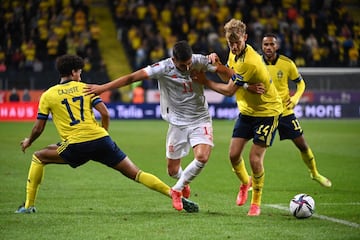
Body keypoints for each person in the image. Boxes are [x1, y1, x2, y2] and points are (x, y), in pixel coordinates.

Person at [15, 54, 198, 214]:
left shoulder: (48, 95)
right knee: (137, 173)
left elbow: (38, 128)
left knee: (39, 157)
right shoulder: (86, 88)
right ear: (72, 72)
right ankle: (174, 194)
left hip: (76, 144)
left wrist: (29, 140)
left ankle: (29, 205)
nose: (80, 75)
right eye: (79, 72)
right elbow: (105, 113)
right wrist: (104, 132)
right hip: (102, 140)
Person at [84, 40, 233, 210]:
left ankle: (177, 190)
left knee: (202, 157)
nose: (187, 68)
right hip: (176, 123)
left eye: (189, 63)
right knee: (172, 170)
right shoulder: (162, 67)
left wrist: (219, 65)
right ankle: (183, 181)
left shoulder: (198, 61)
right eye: (183, 65)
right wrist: (104, 88)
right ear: (173, 60)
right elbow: (132, 77)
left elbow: (228, 74)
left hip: (200, 118)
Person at [199, 19, 283, 216]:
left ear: (245, 37)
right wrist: (220, 65)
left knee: (254, 158)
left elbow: (229, 91)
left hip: (267, 112)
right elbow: (229, 78)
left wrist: (205, 81)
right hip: (247, 111)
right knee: (233, 155)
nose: (234, 47)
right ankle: (246, 183)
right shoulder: (234, 53)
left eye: (237, 42)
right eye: (231, 44)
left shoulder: (251, 61)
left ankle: (256, 203)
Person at [261, 33, 331, 187]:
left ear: (277, 46)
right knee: (260, 149)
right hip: (265, 112)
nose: (268, 47)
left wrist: (295, 98)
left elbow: (301, 84)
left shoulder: (287, 63)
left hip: (285, 111)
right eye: (266, 44)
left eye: (272, 44)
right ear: (262, 46)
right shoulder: (256, 63)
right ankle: (254, 181)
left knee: (302, 144)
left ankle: (314, 173)